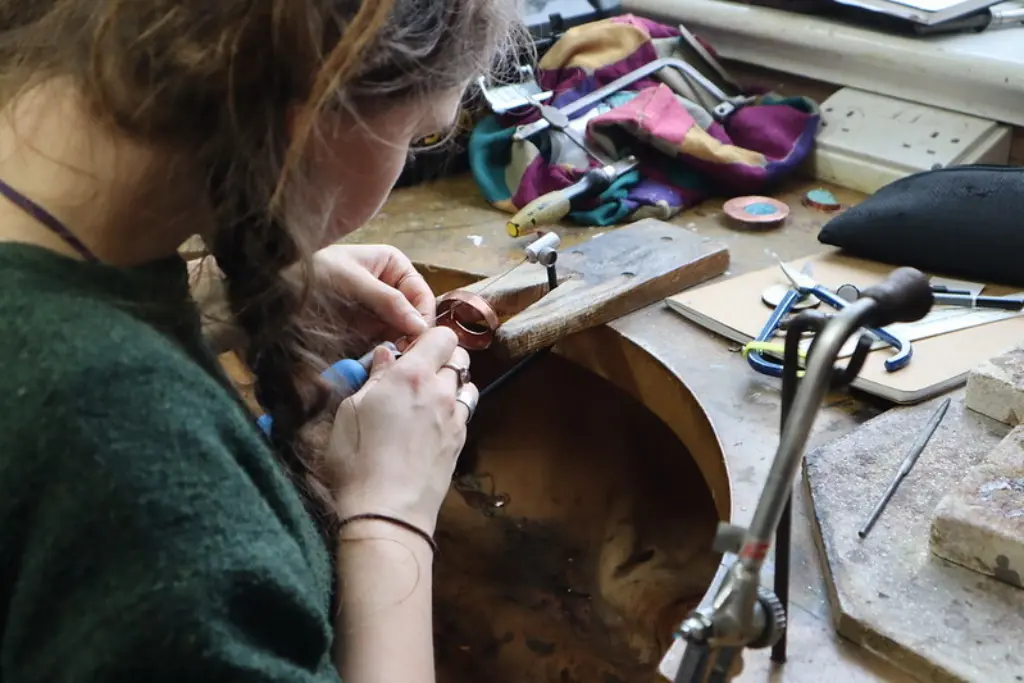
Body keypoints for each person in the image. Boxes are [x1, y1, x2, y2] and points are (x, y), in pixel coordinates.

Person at [0, 2, 521, 681]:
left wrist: (212, 294)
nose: (406, 164)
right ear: (310, 112)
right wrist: (390, 517)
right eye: (419, 138)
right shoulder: (132, 460)